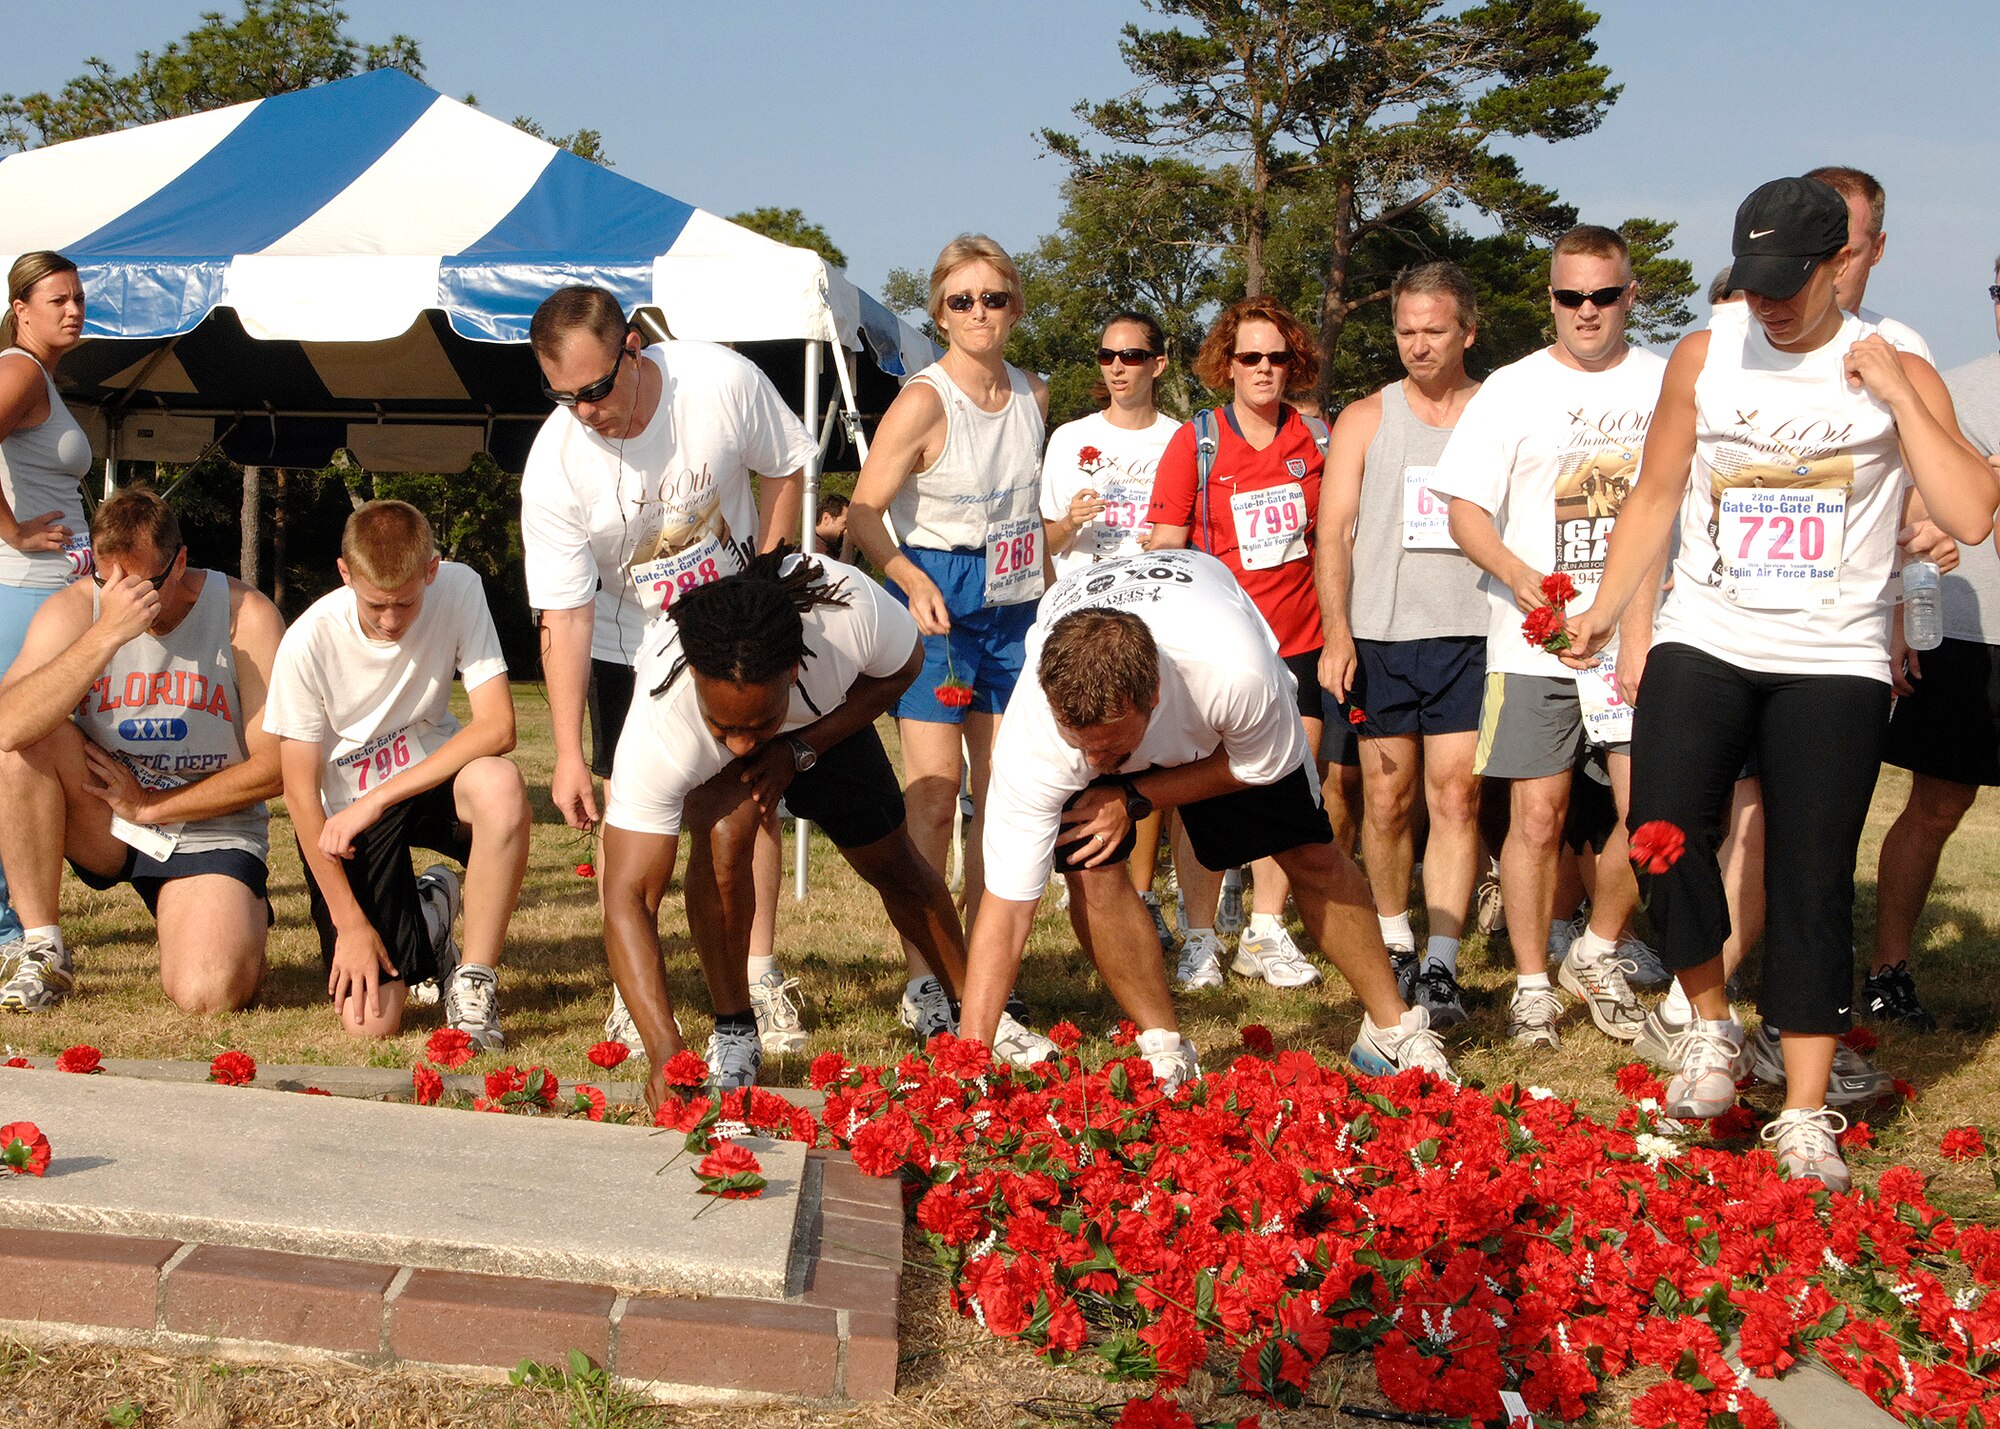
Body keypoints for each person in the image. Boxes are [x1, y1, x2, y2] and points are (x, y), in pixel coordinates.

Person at [1565, 177, 1996, 1191]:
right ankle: (1711, 1028)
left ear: (1829, 267)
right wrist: (1599, 604)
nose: (1763, 302)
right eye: (1749, 281)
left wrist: (1894, 395)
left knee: (1808, 877)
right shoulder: (1705, 351)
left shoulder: (1893, 359)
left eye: (1784, 285)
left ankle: (1802, 1114)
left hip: (1831, 658)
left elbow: (1970, 511)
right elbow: (1657, 491)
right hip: (1704, 635)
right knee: (1660, 831)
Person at [959, 548, 1452, 1090]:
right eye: (1084, 747)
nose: (1095, 762)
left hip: (1220, 713)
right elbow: (1005, 912)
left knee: (1310, 852)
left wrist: (1135, 795)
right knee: (1090, 868)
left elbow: (1261, 765)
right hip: (1113, 673)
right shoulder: (1032, 739)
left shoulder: (1234, 672)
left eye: (1109, 745)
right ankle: (1164, 1047)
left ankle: (1390, 1028)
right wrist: (968, 1061)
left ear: (1153, 697)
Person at [601, 549, 1022, 1100]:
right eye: (724, 725)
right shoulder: (665, 722)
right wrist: (663, 1049)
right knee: (725, 836)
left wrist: (800, 747)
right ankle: (734, 1029)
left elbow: (905, 668)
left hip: (823, 723)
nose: (742, 745)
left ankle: (977, 1019)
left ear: (794, 668)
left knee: (893, 862)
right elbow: (627, 899)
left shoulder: (849, 613)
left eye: (755, 725)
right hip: (725, 735)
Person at [521, 285, 815, 1057]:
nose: (584, 412)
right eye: (562, 396)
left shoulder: (720, 382)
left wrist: (769, 577)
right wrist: (567, 753)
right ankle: (634, 990)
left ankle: (757, 971)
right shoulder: (553, 464)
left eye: (594, 390)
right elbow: (564, 614)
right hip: (631, 643)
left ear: (634, 349)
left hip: (735, 633)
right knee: (634, 820)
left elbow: (785, 468)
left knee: (750, 799)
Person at [1430, 225, 1666, 1051]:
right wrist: (1521, 573)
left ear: (1631, 295)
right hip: (1531, 639)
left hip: (1639, 640)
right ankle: (1533, 984)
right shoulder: (1511, 389)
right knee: (1536, 816)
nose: (1588, 311)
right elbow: (1461, 507)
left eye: (1605, 295)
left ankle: (1596, 947)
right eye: (1571, 297)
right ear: (1551, 300)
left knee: (1649, 815)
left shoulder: (1669, 384)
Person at [847, 235, 1049, 1041]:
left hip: (1014, 598)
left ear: (1015, 307)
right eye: (960, 301)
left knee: (1003, 797)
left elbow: (1031, 514)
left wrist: (1064, 533)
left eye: (993, 299)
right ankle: (926, 977)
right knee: (933, 795)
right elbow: (862, 510)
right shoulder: (924, 400)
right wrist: (911, 578)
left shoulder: (1035, 394)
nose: (978, 314)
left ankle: (988, 975)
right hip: (937, 597)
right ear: (938, 312)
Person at [0, 488, 282, 1013]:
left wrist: (153, 806)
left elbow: (276, 767)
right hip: (108, 816)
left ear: (179, 562)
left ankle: (237, 917)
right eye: (110, 583)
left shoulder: (244, 614)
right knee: (21, 745)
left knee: (207, 994)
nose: (128, 599)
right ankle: (42, 946)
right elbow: (6, 726)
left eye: (143, 584)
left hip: (208, 827)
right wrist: (104, 635)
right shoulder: (80, 609)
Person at [264, 501, 531, 1046]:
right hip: (345, 820)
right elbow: (300, 797)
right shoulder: (307, 641)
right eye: (375, 604)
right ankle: (433, 912)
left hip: (422, 783)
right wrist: (350, 924)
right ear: (345, 572)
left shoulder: (459, 587)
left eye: (406, 602)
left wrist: (378, 798)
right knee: (372, 1025)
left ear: (431, 569)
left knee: (500, 785)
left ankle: (474, 983)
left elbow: (499, 727)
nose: (390, 620)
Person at [1316, 262, 1490, 1029]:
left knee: (1457, 795)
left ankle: (1444, 962)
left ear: (1467, 332)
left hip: (1473, 629)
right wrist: (1337, 631)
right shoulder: (1365, 416)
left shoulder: (1497, 412)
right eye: (1406, 331)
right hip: (1382, 637)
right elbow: (1335, 530)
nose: (1417, 345)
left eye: (1433, 330)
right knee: (1387, 798)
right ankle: (1393, 937)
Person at [1144, 296, 1331, 993]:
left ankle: (1265, 927)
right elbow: (1162, 549)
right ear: (1227, 363)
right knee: (1205, 797)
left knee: (1289, 783)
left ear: (1295, 363)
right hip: (1217, 650)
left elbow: (1334, 541)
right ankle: (1199, 938)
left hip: (1301, 642)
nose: (1264, 369)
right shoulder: (1197, 440)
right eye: (1250, 356)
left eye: (1278, 357)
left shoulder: (1318, 440)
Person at [1872, 257, 2000, 1028]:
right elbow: (1915, 506)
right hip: (1966, 632)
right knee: (1936, 806)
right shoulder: (1951, 387)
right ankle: (1889, 969)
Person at [1040, 311, 1180, 947]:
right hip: (1082, 614)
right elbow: (1040, 541)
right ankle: (1085, 882)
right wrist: (1069, 522)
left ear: (1159, 363)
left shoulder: (1181, 439)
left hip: (1155, 614)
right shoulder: (1069, 438)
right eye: (1106, 356)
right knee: (1084, 755)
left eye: (1131, 355)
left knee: (1146, 757)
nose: (1118, 367)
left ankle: (1143, 894)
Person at [0, 253, 92, 1008]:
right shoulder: (21, 371)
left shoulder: (41, 377)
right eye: (57, 298)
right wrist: (14, 530)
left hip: (53, 593)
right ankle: (11, 927)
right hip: (28, 594)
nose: (73, 308)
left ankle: (12, 923)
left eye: (78, 297)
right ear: (20, 307)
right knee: (17, 749)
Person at [813, 493, 855, 561]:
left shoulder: (826, 547)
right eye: (845, 523)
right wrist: (847, 545)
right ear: (826, 518)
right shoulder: (813, 550)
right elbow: (840, 571)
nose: (846, 529)